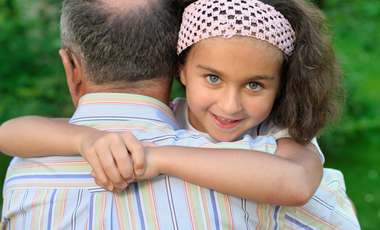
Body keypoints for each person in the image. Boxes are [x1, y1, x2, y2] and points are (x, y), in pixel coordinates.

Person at [0, 0, 360, 229]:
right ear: (180, 70)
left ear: (281, 85)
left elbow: (295, 184)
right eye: (214, 78)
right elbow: (9, 134)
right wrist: (84, 139)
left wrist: (159, 157)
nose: (230, 105)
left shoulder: (278, 133)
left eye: (254, 85)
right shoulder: (171, 115)